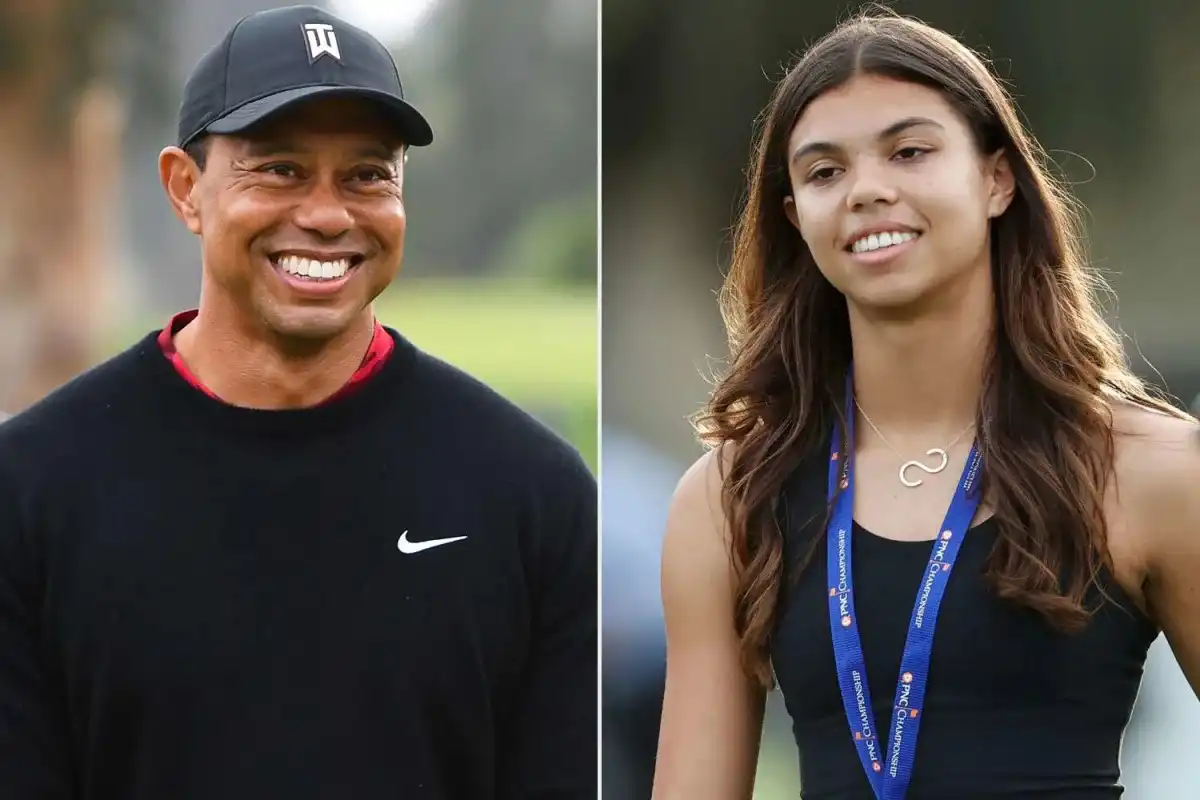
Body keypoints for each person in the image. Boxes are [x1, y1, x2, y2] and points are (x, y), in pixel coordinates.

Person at [0, 6, 596, 799]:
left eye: (367, 174)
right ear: (186, 189)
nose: (326, 214)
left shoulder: (533, 495)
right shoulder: (30, 488)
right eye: (279, 168)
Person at [653, 9, 1199, 800]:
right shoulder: (729, 497)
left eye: (909, 152)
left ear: (996, 179)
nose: (868, 190)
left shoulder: (1148, 468)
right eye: (824, 172)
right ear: (796, 218)